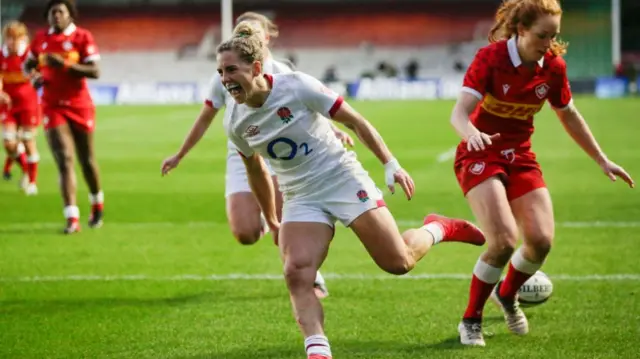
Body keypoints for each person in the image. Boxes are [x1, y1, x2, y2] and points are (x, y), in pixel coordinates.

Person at [208, 23, 486, 359]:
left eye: (231, 70)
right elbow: (255, 169)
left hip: (342, 178)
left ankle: (437, 227)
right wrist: (271, 217)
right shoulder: (234, 122)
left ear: (255, 67)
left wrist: (390, 164)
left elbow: (355, 120)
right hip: (300, 196)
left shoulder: (297, 87)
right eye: (220, 71)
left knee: (398, 262)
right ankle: (318, 348)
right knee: (296, 271)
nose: (225, 79)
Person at [450, 0, 635, 347]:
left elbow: (568, 115)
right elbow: (459, 114)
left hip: (520, 156)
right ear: (521, 29)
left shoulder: (552, 67)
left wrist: (601, 158)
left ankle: (506, 295)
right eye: (542, 35)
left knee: (541, 241)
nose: (548, 43)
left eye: (554, 36)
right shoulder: (490, 59)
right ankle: (471, 319)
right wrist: (471, 133)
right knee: (503, 240)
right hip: (481, 154)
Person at [161, 12, 354, 299]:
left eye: (251, 31)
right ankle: (267, 220)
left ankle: (312, 277)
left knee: (288, 222)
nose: (245, 35)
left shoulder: (283, 71)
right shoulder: (226, 74)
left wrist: (333, 130)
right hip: (244, 152)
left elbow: (310, 105)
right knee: (245, 234)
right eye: (241, 32)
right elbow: (205, 118)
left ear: (265, 38)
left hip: (281, 155)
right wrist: (180, 154)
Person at [24, 0, 104, 233]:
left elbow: (95, 71)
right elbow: (28, 65)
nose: (56, 16)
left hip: (80, 105)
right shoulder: (40, 39)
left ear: (70, 15)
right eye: (52, 12)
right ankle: (72, 218)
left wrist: (65, 64)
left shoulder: (82, 37)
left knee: (86, 160)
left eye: (60, 12)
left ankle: (96, 203)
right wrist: (33, 77)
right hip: (51, 105)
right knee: (65, 159)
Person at [0, 21, 40, 194]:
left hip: (28, 104)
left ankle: (32, 182)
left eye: (16, 38)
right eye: (9, 38)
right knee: (9, 143)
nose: (12, 42)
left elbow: (39, 74)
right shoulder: (1, 54)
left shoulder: (29, 55)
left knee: (27, 140)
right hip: (8, 105)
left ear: (23, 39)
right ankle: (25, 169)